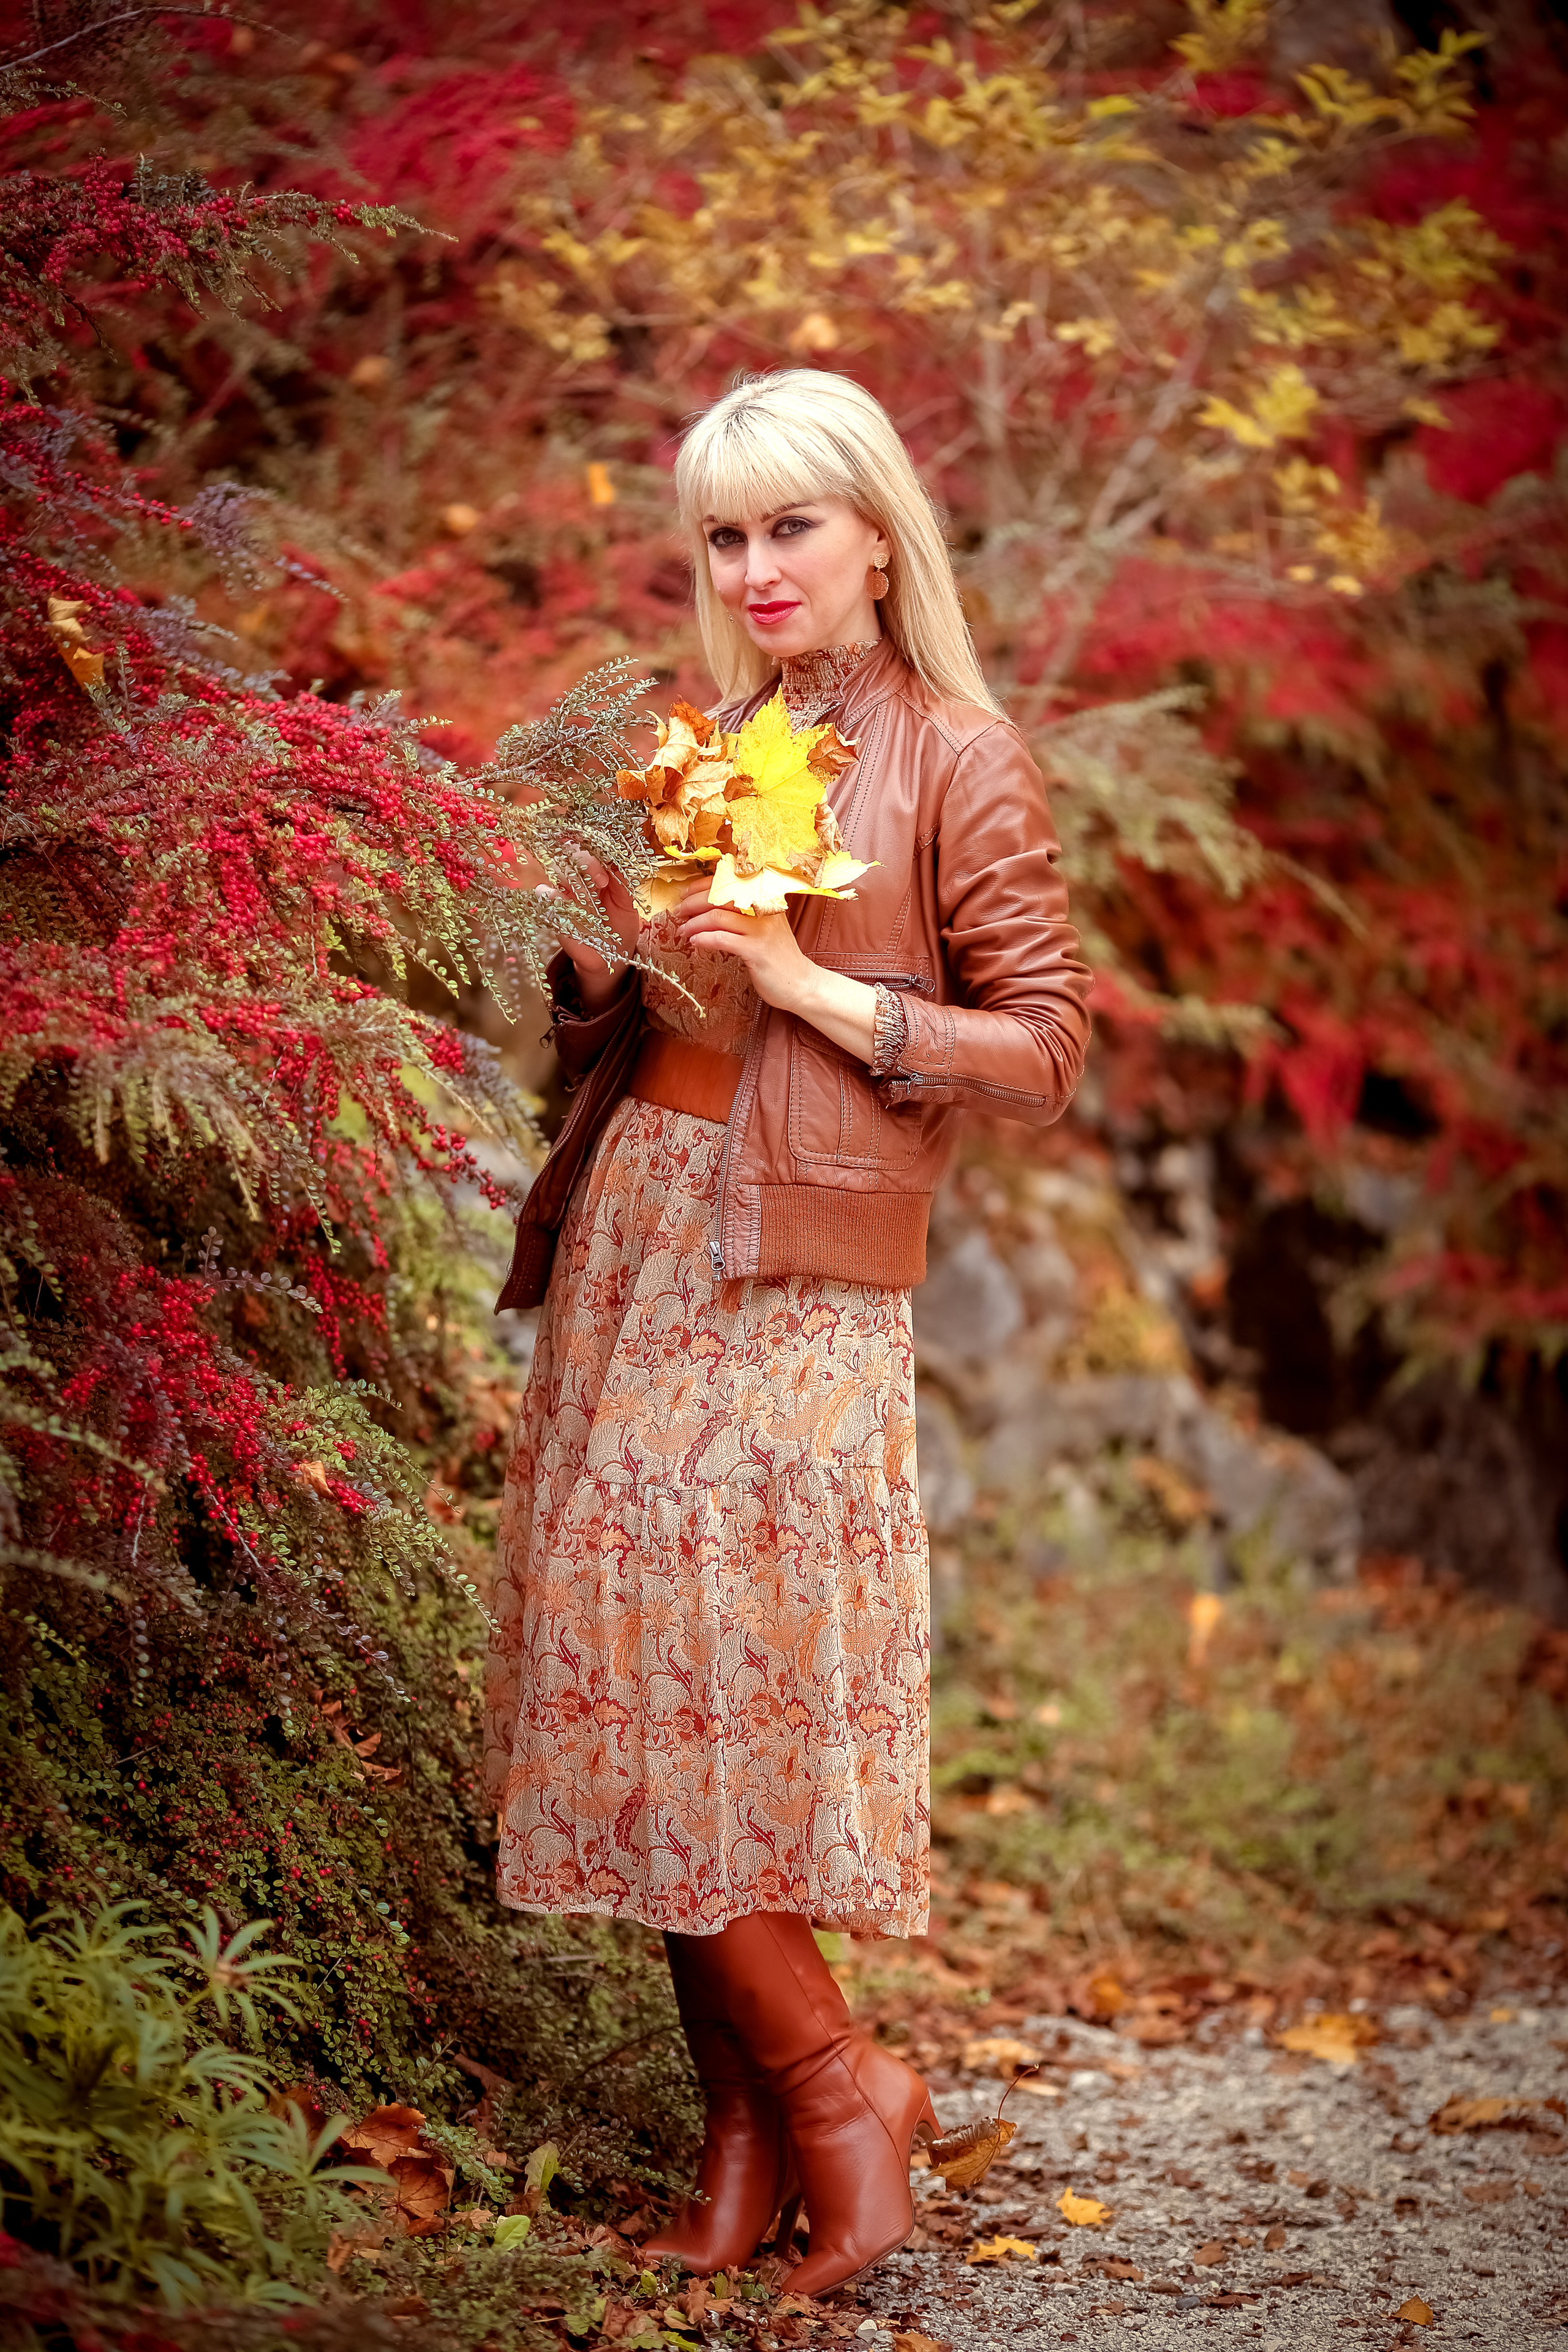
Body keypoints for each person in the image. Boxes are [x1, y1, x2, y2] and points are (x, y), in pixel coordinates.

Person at [483, 369, 1092, 2296]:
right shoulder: (719, 738)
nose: (755, 566)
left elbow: (1045, 1048)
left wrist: (818, 990)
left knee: (690, 1683)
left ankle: (844, 2095)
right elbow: (692, 1018)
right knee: (652, 1681)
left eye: (790, 526)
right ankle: (743, 2147)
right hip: (640, 1233)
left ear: (879, 537)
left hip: (794, 1267)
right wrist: (606, 973)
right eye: (725, 534)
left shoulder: (959, 757)